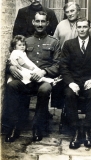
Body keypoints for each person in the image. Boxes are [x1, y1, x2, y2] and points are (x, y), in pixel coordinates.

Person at [3, 11, 61, 142]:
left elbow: (58, 65)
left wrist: (44, 72)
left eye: (43, 22)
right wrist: (11, 67)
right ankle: (14, 126)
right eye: (37, 21)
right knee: (11, 86)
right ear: (33, 22)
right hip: (25, 79)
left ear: (47, 23)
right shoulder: (25, 41)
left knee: (45, 89)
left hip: (42, 80)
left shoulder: (54, 42)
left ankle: (37, 127)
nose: (40, 24)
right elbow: (12, 57)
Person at [60, 18, 91, 149]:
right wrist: (70, 82)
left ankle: (87, 130)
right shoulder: (69, 44)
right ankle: (75, 130)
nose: (81, 30)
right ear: (76, 28)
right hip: (73, 81)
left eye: (84, 27)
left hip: (90, 81)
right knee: (69, 95)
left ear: (89, 28)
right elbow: (63, 66)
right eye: (79, 27)